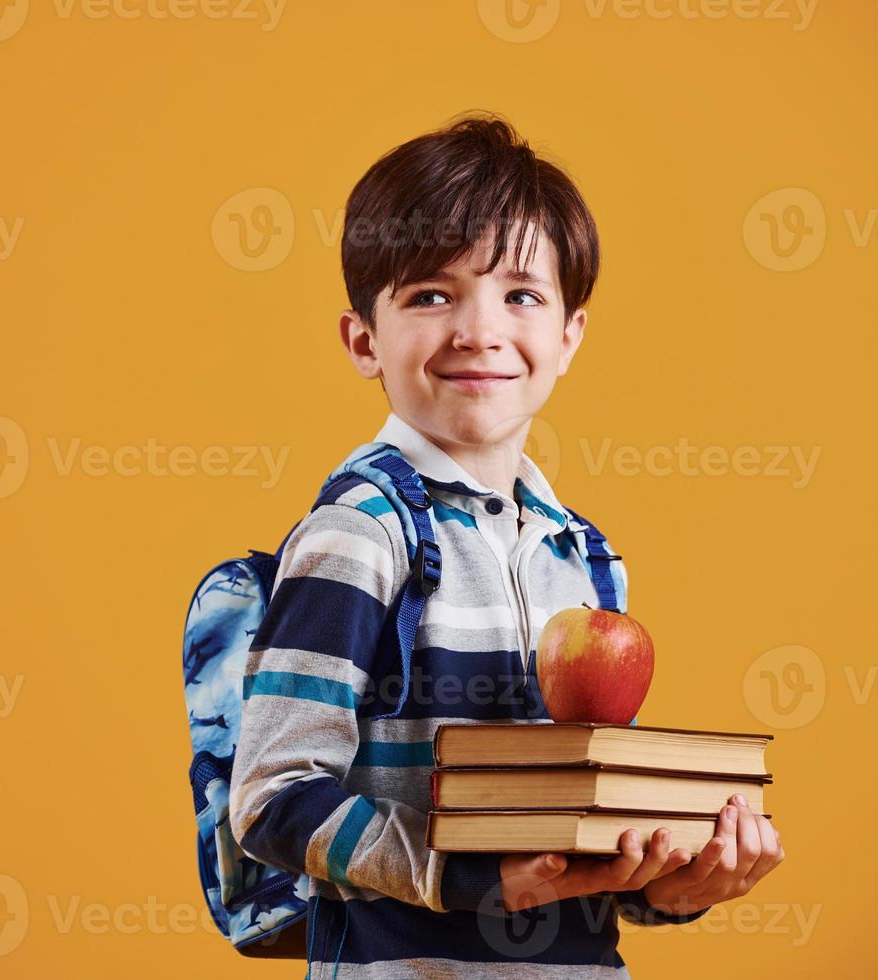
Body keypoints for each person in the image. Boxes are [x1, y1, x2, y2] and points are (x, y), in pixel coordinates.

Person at [229, 113, 784, 978]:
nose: (479, 331)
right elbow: (272, 798)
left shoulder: (586, 557)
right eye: (431, 294)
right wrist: (466, 876)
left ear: (569, 336)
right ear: (363, 341)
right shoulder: (362, 533)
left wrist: (668, 885)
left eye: (521, 294)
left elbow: (579, 829)